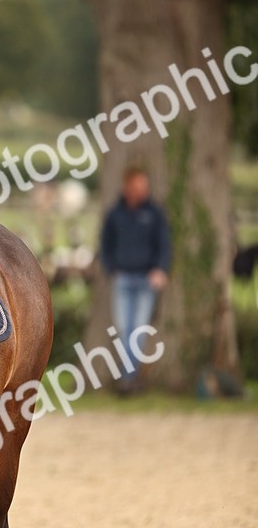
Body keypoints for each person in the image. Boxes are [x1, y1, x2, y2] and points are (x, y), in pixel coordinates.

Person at [100, 167, 171, 392]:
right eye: (137, 186)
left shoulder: (154, 213)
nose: (141, 190)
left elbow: (164, 245)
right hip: (122, 279)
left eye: (144, 186)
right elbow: (105, 245)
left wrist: (160, 270)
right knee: (124, 329)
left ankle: (128, 378)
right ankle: (129, 378)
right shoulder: (115, 214)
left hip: (145, 280)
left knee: (138, 329)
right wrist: (112, 269)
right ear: (127, 186)